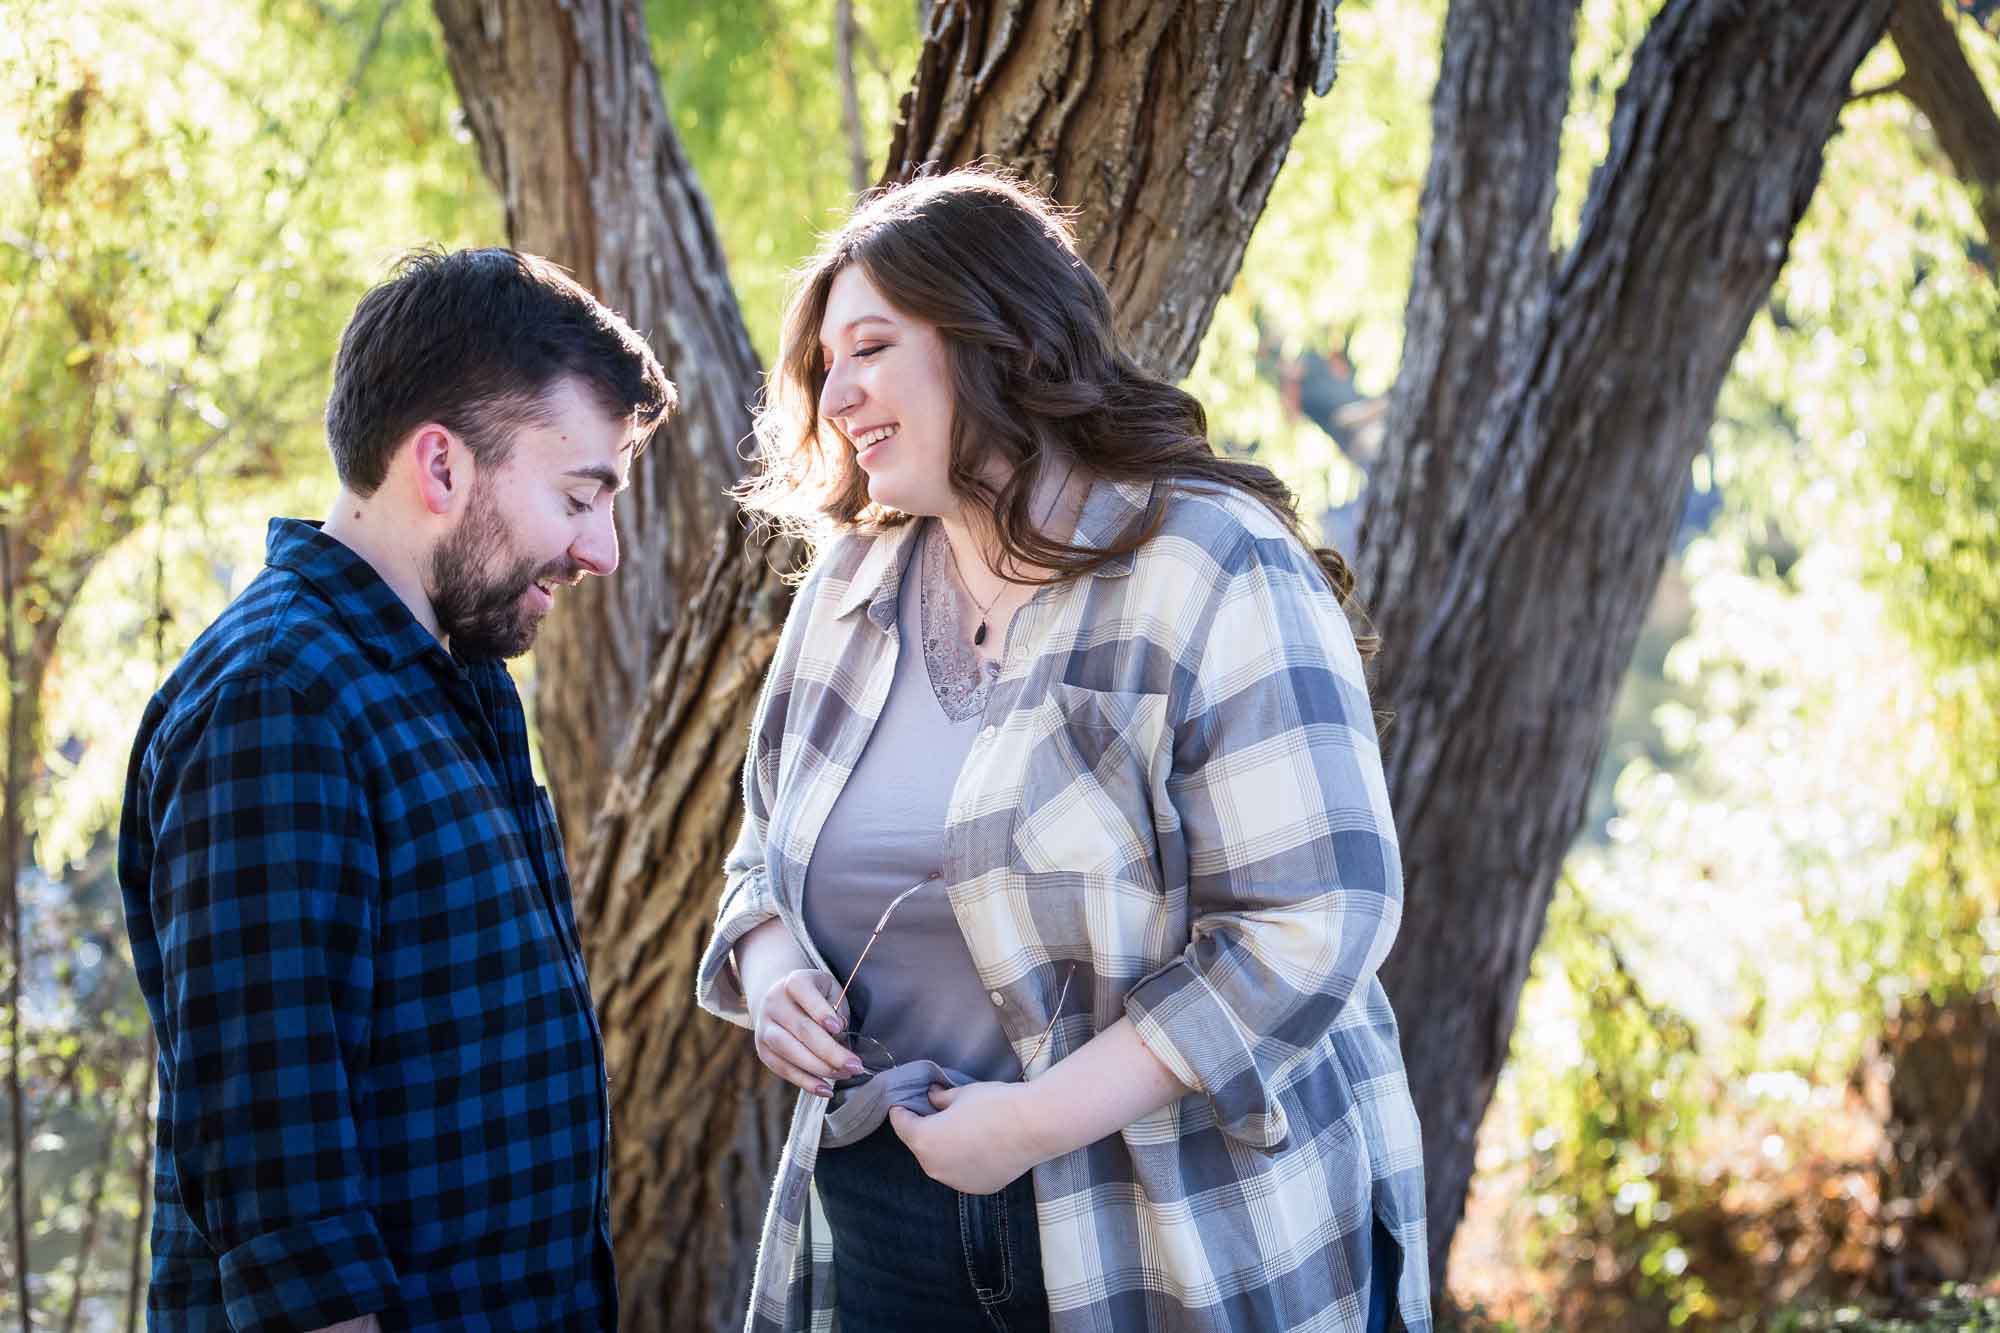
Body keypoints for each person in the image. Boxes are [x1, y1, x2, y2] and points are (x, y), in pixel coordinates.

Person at [695, 169, 1430, 1332]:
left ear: (996, 338)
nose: (835, 392)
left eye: (870, 346)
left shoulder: (1207, 562)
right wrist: (772, 964)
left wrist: (1033, 1123)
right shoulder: (847, 586)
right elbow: (758, 856)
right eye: (823, 363)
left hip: (1175, 1217)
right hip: (890, 1204)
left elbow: (1313, 916)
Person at [119, 247, 674, 1332]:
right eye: (578, 495)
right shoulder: (277, 699)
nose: (601, 550)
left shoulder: (461, 677)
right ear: (440, 466)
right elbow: (281, 1192)